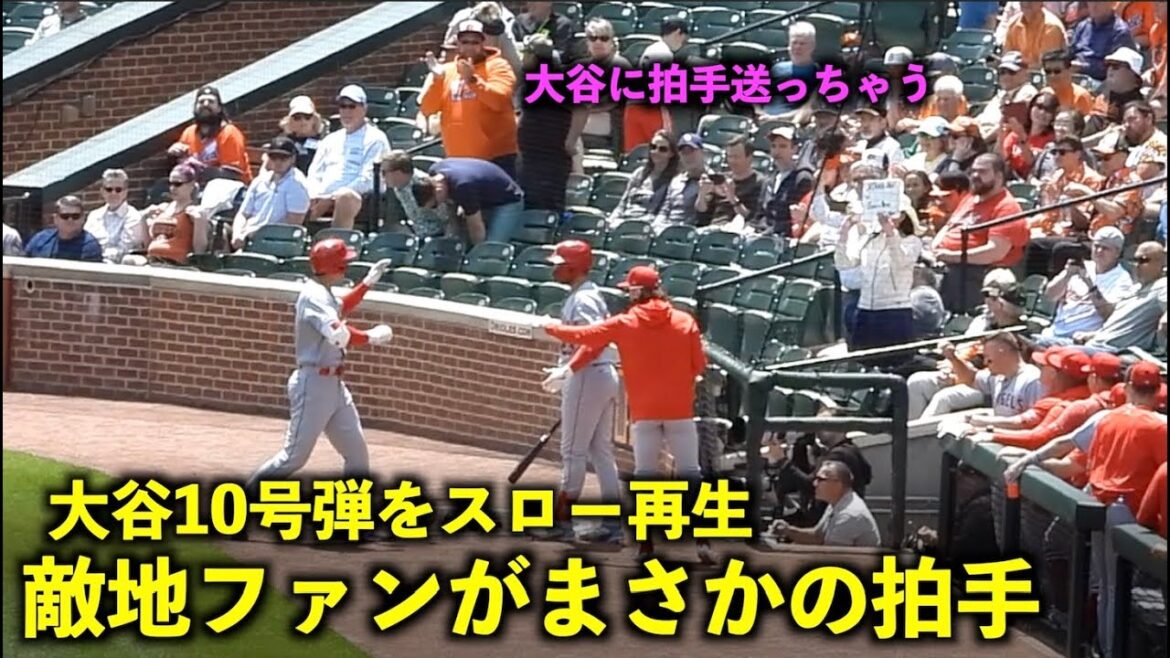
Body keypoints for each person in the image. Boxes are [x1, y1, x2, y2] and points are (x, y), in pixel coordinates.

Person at [542, 265, 715, 565]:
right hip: (679, 411)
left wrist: (549, 327)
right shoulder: (685, 321)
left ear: (637, 291)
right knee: (691, 475)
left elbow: (585, 335)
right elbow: (699, 365)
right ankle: (703, 542)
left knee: (646, 477)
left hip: (645, 413)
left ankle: (646, 545)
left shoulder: (625, 322)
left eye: (630, 290)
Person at [244, 242, 395, 514]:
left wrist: (367, 284)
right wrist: (372, 337)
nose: (346, 265)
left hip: (334, 386)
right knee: (293, 458)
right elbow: (339, 336)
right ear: (332, 266)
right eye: (343, 261)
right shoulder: (312, 296)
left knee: (356, 454)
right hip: (313, 385)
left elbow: (341, 307)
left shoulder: (322, 292)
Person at [537, 240, 623, 545]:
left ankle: (561, 522)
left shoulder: (584, 300)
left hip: (589, 374)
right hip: (597, 374)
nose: (554, 268)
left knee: (573, 451)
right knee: (600, 451)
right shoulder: (585, 295)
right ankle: (614, 524)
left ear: (573, 267)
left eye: (559, 263)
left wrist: (568, 370)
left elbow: (594, 341)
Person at [767, 460, 881, 548]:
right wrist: (787, 530)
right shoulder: (837, 503)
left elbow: (828, 556)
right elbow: (817, 536)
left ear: (838, 483)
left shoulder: (849, 515)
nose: (814, 483)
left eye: (820, 479)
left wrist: (783, 551)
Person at [428, 157, 525, 244]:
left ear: (438, 191)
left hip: (507, 201)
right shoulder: (435, 170)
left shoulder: (463, 186)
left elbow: (476, 227)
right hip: (483, 199)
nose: (438, 206)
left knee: (490, 249)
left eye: (435, 205)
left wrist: (477, 254)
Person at [25, 196, 102, 262]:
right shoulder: (41, 238)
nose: (70, 220)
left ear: (83, 218)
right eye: (65, 216)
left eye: (75, 216)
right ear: (55, 219)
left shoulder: (90, 246)